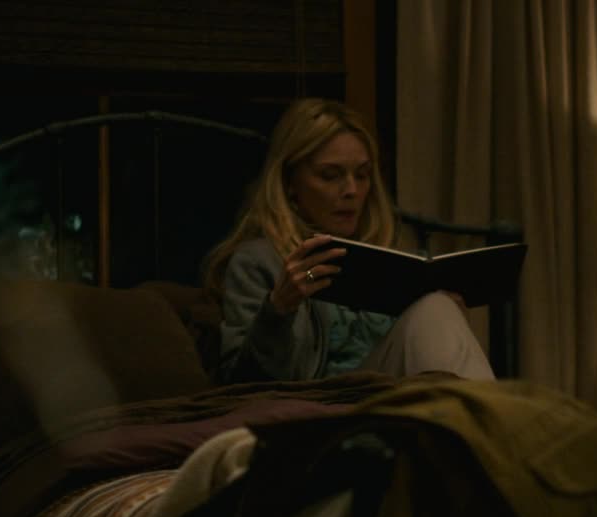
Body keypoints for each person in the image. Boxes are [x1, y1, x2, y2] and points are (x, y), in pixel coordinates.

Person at [205, 98, 495, 384]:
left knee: (437, 306)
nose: (351, 190)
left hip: (396, 392)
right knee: (435, 310)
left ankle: (487, 412)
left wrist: (448, 318)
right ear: (290, 183)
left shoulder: (390, 254)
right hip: (324, 400)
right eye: (330, 176)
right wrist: (278, 309)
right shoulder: (259, 261)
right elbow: (241, 383)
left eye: (362, 175)